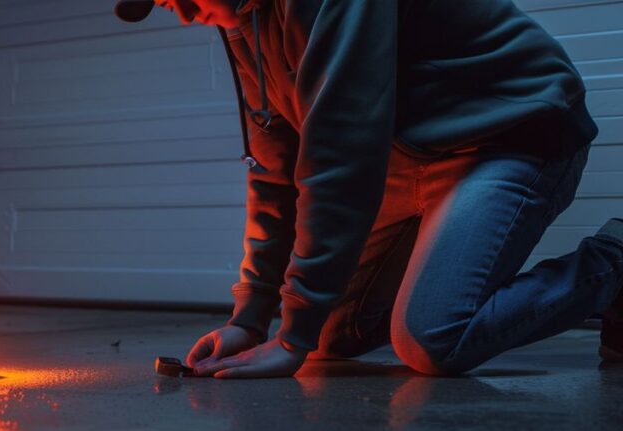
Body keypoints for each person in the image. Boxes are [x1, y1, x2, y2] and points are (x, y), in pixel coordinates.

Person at [115, 0, 621, 378]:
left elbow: (342, 147)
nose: (180, 12)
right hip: (406, 166)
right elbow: (274, 166)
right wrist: (250, 320)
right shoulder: (240, 21)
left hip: (508, 138)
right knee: (330, 338)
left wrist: (290, 335)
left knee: (431, 340)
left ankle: (614, 260)